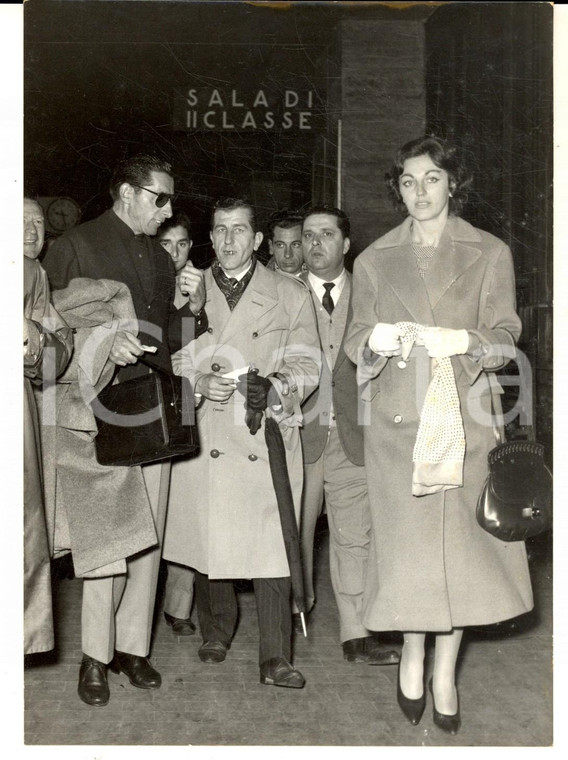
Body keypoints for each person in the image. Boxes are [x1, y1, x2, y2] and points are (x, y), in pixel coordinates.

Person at [344, 136, 534, 734]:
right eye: (407, 181)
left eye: (431, 179)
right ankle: (412, 655)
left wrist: (468, 343)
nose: (419, 192)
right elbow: (354, 340)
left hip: (466, 421)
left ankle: (446, 670)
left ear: (453, 183)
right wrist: (370, 343)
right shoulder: (373, 259)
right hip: (399, 430)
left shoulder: (491, 252)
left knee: (462, 558)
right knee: (409, 558)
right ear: (396, 188)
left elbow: (506, 335)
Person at [42, 154, 208, 706]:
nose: (166, 211)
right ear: (126, 192)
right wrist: (101, 344)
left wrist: (192, 306)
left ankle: (134, 649)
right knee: (107, 539)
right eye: (158, 198)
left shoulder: (161, 261)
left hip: (151, 409)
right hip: (96, 412)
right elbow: (50, 335)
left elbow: (174, 343)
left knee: (149, 536)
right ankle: (95, 656)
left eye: (170, 201)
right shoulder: (75, 246)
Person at [163, 198, 321, 688]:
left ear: (257, 240)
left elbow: (309, 362)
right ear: (211, 238)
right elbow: (174, 356)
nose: (228, 240)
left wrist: (276, 384)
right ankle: (217, 630)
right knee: (214, 537)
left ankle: (276, 656)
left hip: (264, 428)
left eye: (239, 231)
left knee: (274, 546)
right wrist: (195, 385)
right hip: (209, 428)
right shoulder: (188, 294)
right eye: (219, 231)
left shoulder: (290, 293)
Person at [297, 205, 400, 667]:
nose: (314, 243)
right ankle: (285, 627)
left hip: (354, 434)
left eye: (325, 234)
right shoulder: (286, 292)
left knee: (353, 537)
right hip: (296, 435)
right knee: (289, 535)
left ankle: (355, 633)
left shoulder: (371, 292)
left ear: (346, 244)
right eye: (307, 235)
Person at [23, 197, 73, 656]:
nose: (32, 229)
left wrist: (35, 338)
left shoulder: (36, 276)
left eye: (38, 221)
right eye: (20, 221)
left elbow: (53, 361)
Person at [157, 211, 197, 636]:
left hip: (187, 396)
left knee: (184, 499)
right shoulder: (147, 279)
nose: (175, 253)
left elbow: (191, 341)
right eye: (167, 244)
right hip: (148, 398)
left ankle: (178, 605)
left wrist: (192, 305)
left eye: (182, 244)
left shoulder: (197, 283)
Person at [265, 210, 306, 276]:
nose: (288, 255)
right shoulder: (256, 284)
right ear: (271, 247)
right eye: (280, 245)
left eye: (295, 245)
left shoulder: (323, 282)